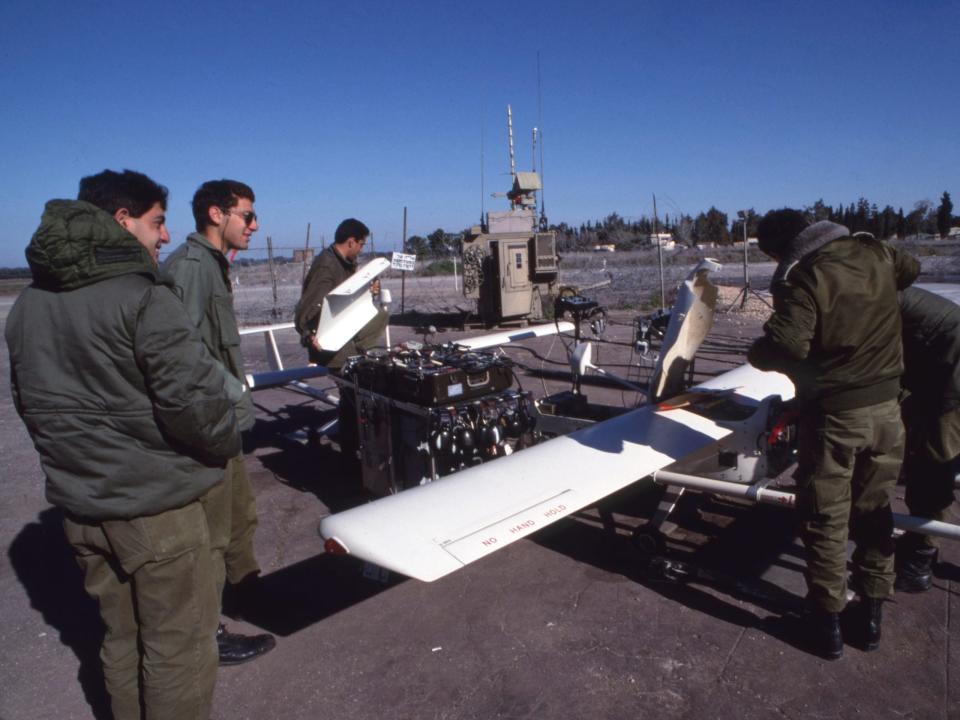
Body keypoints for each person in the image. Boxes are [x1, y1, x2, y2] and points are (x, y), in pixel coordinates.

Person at [6, 169, 241, 719]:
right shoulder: (142, 299)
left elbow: (30, 407)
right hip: (157, 514)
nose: (164, 236)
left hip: (83, 511)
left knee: (120, 640)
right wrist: (227, 440)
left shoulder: (28, 306)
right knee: (178, 651)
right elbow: (199, 408)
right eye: (157, 222)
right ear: (121, 219)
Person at [747, 209, 919, 659]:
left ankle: (826, 624)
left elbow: (788, 345)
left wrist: (757, 353)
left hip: (837, 417)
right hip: (887, 410)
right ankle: (871, 617)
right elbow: (910, 269)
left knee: (826, 517)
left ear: (779, 249)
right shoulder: (874, 250)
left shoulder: (805, 276)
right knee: (876, 511)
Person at [163, 179, 275, 665]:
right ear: (216, 214)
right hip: (206, 424)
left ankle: (248, 594)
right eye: (247, 216)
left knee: (239, 518)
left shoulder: (211, 267)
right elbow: (179, 355)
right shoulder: (189, 271)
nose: (255, 224)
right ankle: (207, 636)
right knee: (210, 537)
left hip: (223, 422)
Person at [895, 286, 960, 591]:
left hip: (952, 374)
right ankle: (921, 540)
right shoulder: (881, 288)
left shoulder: (871, 299)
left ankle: (921, 555)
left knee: (933, 466)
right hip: (941, 369)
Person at [294, 218, 388, 372]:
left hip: (345, 325)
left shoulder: (344, 263)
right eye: (361, 244)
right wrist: (309, 336)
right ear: (351, 242)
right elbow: (307, 308)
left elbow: (346, 294)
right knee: (356, 376)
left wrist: (369, 291)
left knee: (381, 316)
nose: (361, 250)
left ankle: (360, 356)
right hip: (328, 338)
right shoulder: (327, 266)